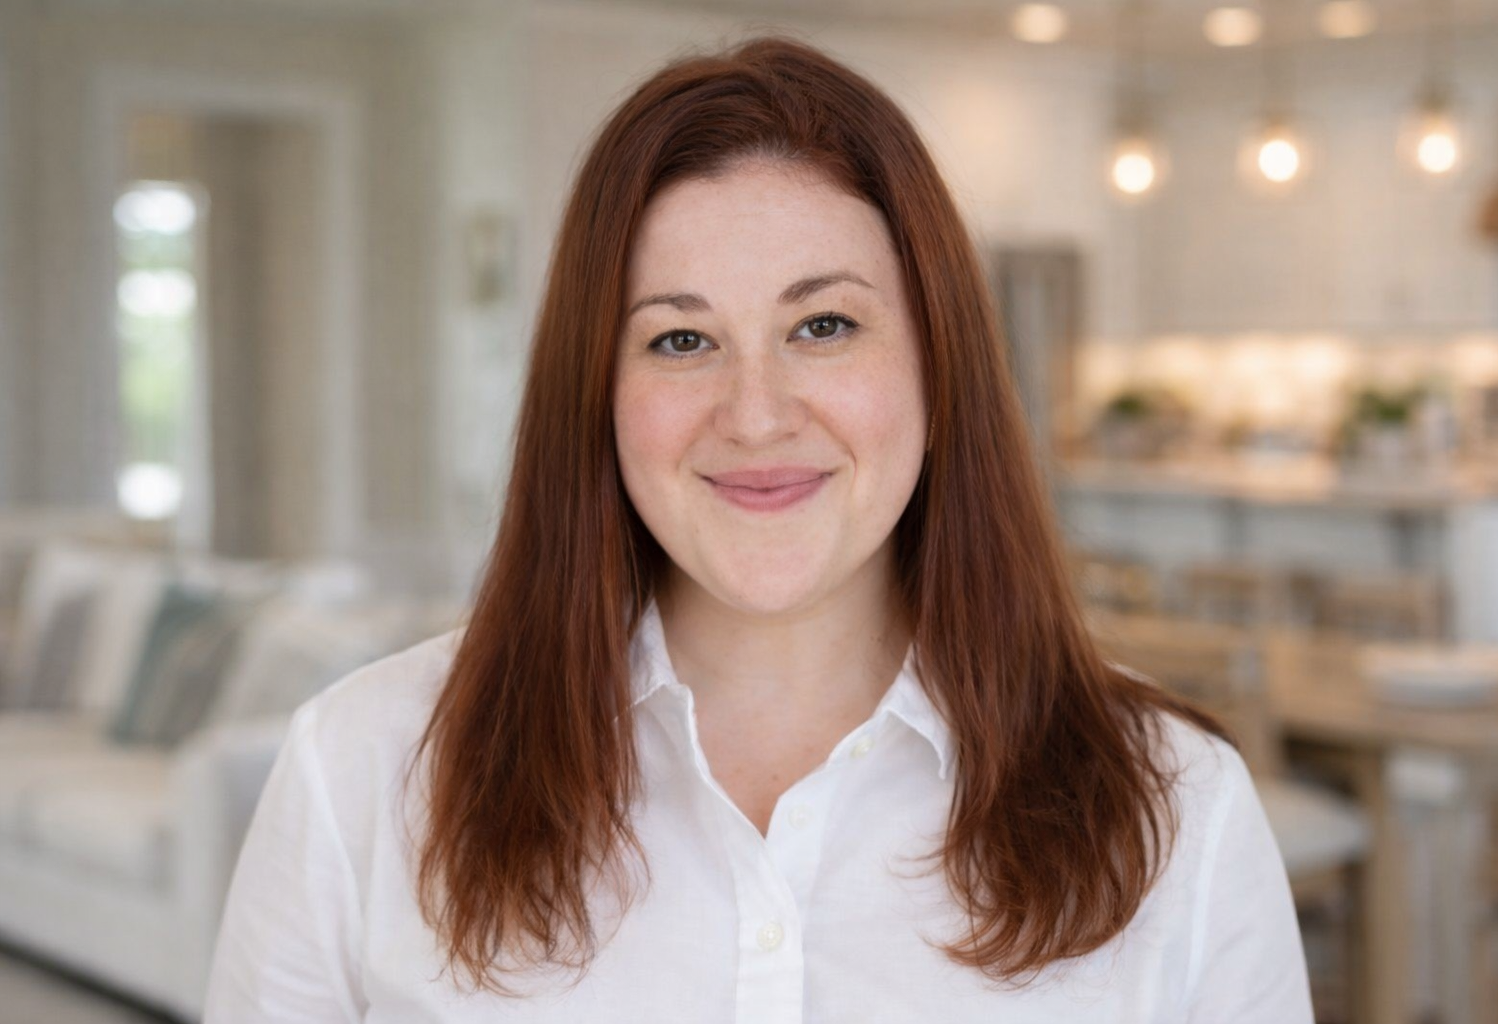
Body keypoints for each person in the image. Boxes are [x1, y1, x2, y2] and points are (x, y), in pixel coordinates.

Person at [202, 34, 1312, 1023]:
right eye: (681, 340)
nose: (756, 413)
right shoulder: (363, 774)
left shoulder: (1180, 813)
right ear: (595, 391)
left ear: (939, 365)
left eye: (823, 324)